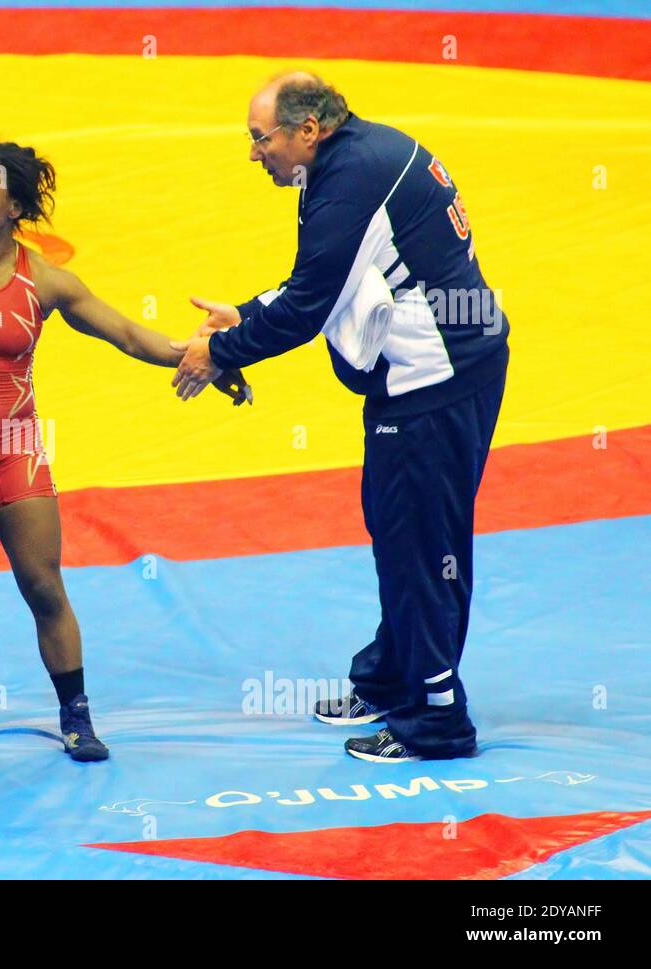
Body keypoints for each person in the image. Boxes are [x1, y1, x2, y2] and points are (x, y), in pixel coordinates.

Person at [0, 140, 249, 762]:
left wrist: (207, 354)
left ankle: (77, 717)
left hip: (15, 446)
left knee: (43, 583)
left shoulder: (43, 280)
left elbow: (125, 332)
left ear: (14, 205)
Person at [172, 73, 509, 763]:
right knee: (395, 529)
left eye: (259, 139)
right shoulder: (356, 157)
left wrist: (221, 352)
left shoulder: (351, 177)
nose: (253, 153)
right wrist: (246, 314)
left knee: (421, 545)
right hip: (432, 370)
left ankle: (438, 717)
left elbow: (305, 309)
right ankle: (391, 676)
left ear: (307, 131)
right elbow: (322, 279)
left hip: (436, 382)